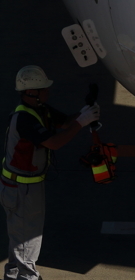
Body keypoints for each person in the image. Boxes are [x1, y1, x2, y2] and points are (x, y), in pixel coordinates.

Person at [1, 66, 99, 280]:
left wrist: (83, 114)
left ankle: (14, 274)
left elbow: (64, 122)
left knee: (20, 234)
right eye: (44, 88)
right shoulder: (25, 118)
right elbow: (54, 143)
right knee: (28, 235)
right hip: (21, 188)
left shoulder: (39, 109)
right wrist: (82, 122)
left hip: (23, 185)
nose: (48, 91)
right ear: (32, 92)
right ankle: (28, 277)